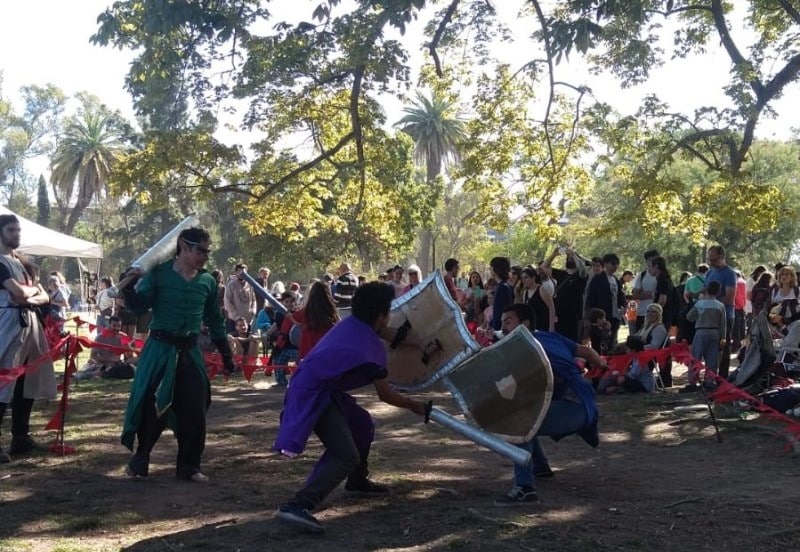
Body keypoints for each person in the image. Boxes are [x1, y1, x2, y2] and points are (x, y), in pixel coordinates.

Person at [274, 282, 427, 534]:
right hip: (312, 393)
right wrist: (414, 405)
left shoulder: (354, 324)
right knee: (346, 455)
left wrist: (423, 343)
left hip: (321, 387)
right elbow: (385, 394)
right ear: (381, 314)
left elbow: (390, 332)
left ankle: (357, 481)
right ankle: (297, 505)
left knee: (362, 424)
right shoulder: (369, 347)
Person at [120, 227, 235, 483]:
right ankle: (140, 460)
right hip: (160, 350)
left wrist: (227, 355)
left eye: (208, 251)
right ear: (183, 245)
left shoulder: (207, 281)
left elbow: (215, 321)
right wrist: (127, 287)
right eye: (201, 250)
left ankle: (189, 466)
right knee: (152, 406)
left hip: (189, 351)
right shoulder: (158, 275)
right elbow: (139, 306)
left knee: (195, 407)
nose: (205, 256)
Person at [494, 303, 603, 506]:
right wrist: (602, 365)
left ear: (524, 323)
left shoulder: (526, 346)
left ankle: (525, 489)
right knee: (528, 416)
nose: (503, 327)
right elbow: (587, 353)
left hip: (575, 407)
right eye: (502, 322)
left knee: (520, 423)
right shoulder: (549, 337)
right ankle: (540, 467)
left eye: (508, 321)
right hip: (583, 403)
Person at [0, 214, 57, 462]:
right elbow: (17, 292)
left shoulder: (23, 262)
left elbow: (44, 296)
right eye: (11, 230)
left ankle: (20, 438)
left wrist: (29, 296)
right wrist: (30, 293)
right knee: (4, 381)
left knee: (28, 381)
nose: (16, 234)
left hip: (29, 322)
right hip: (8, 324)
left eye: (18, 230)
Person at [682, 282, 727, 393]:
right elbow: (723, 324)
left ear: (705, 290)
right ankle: (709, 382)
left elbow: (689, 317)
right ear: (718, 291)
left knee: (695, 357)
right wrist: (723, 337)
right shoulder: (720, 305)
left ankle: (693, 382)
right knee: (712, 359)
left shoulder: (699, 304)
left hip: (701, 331)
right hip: (715, 332)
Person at [704, 245, 737, 379]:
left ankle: (722, 378)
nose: (712, 263)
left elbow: (729, 298)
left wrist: (713, 301)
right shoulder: (710, 273)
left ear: (722, 257)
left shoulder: (729, 273)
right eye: (710, 260)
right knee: (708, 347)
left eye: (714, 260)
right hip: (708, 317)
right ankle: (709, 376)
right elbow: (705, 291)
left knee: (723, 347)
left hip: (725, 316)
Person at [74, 316, 137, 381]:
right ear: (108, 325)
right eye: (114, 325)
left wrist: (129, 347)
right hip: (101, 364)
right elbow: (93, 356)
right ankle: (91, 375)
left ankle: (99, 375)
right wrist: (105, 361)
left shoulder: (123, 336)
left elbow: (129, 356)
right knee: (92, 364)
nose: (116, 328)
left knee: (131, 366)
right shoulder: (100, 337)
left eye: (119, 326)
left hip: (116, 365)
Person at [290, 281, 340, 359]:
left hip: (308, 352)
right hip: (326, 352)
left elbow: (294, 318)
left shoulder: (306, 311)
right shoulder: (331, 310)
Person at [224, 263, 257, 333]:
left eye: (244, 272)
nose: (242, 274)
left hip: (247, 322)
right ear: (236, 272)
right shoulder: (231, 285)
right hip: (234, 321)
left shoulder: (250, 285)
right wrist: (236, 317)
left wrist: (253, 310)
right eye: (240, 271)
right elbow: (227, 301)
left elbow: (254, 300)